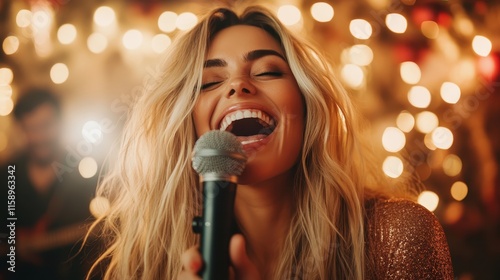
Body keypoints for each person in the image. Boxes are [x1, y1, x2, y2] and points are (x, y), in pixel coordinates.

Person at [88, 6, 454, 279]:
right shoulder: (145, 265)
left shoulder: (395, 234)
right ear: (189, 126)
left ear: (307, 105)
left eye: (267, 71)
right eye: (210, 82)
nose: (237, 86)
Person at [0, 88, 97, 280]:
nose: (40, 137)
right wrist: (13, 247)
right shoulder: (6, 174)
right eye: (31, 128)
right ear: (21, 129)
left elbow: (98, 233)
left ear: (60, 123)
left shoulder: (85, 170)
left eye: (46, 126)